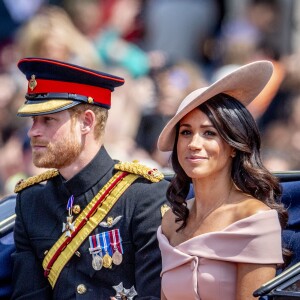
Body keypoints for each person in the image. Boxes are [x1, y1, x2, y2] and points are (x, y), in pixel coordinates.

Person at [11, 57, 169, 299]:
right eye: (33, 120)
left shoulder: (144, 196)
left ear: (86, 122)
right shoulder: (31, 201)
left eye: (48, 120)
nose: (33, 131)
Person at [156, 60, 288, 300]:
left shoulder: (254, 218)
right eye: (186, 132)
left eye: (209, 133)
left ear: (233, 146)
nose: (194, 144)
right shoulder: (171, 221)